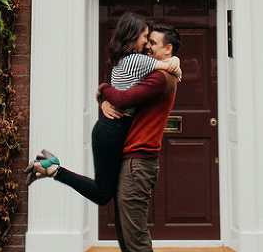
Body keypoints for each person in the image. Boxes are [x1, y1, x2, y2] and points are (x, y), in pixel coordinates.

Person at [25, 11, 180, 204]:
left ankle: (53, 169)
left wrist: (103, 94)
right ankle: (53, 169)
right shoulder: (137, 60)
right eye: (144, 37)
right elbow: (167, 65)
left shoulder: (125, 60)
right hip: (113, 129)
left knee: (108, 190)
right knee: (103, 194)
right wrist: (176, 61)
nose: (146, 43)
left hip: (111, 129)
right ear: (133, 37)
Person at [98, 24, 181, 252]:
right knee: (124, 232)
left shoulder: (162, 77)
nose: (148, 47)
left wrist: (103, 92)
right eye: (148, 41)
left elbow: (123, 98)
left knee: (136, 237)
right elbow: (122, 100)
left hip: (140, 161)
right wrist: (106, 102)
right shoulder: (157, 72)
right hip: (128, 159)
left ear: (168, 50)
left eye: (154, 43)